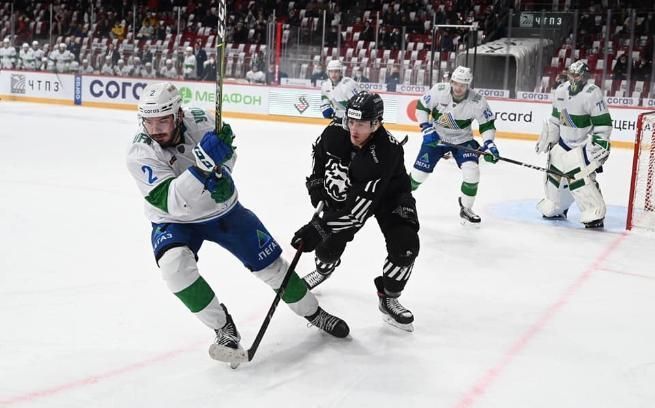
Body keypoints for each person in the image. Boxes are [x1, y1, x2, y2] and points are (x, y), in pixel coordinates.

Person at [126, 82, 350, 363]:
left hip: (222, 212)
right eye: (148, 121)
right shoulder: (140, 153)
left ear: (178, 114)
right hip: (173, 220)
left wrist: (223, 173)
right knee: (174, 269)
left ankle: (314, 313)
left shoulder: (203, 120)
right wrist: (203, 169)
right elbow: (172, 201)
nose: (155, 128)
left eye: (163, 120)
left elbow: (229, 154)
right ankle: (223, 328)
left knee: (273, 268)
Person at [293, 91, 419, 332]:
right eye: (351, 121)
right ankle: (323, 269)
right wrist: (317, 186)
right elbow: (319, 157)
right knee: (327, 250)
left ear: (376, 124)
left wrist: (319, 227)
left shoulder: (386, 151)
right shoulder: (334, 131)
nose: (354, 129)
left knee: (406, 246)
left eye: (361, 124)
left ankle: (389, 297)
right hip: (352, 191)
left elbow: (356, 212)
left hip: (389, 197)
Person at [409, 65, 499, 224]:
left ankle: (466, 208)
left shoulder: (477, 100)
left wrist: (489, 143)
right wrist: (426, 128)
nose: (458, 88)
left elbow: (487, 124)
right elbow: (422, 107)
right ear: (451, 81)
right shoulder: (439, 90)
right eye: (455, 83)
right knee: (418, 175)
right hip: (436, 138)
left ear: (468, 85)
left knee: (472, 172)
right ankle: (397, 197)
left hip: (463, 140)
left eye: (463, 85)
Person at [535, 61, 612, 228]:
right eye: (571, 74)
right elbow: (556, 119)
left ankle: (593, 210)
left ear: (584, 76)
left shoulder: (592, 93)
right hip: (563, 143)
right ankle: (557, 206)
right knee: (554, 174)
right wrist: (550, 137)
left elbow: (603, 123)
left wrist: (600, 143)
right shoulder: (561, 90)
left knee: (579, 176)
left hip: (582, 145)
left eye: (577, 75)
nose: (573, 78)